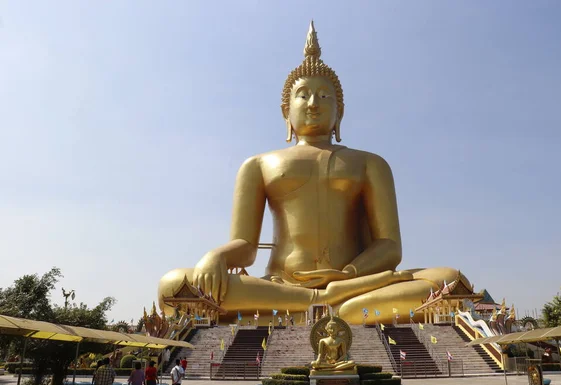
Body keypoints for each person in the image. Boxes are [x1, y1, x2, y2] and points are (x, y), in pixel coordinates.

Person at [157, 21, 467, 324]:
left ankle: (317, 304)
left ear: (339, 113)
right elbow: (246, 247)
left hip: (357, 281)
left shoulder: (371, 163)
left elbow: (389, 246)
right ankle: (326, 304)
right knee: (173, 285)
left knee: (448, 279)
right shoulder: (258, 164)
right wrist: (217, 257)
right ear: (286, 112)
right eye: (303, 94)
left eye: (324, 95)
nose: (313, 103)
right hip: (281, 284)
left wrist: (349, 274)